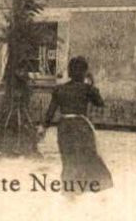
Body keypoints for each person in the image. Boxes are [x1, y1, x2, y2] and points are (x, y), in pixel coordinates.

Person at [40, 56, 113, 191]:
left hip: (64, 127)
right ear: (84, 72)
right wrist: (92, 84)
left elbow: (51, 111)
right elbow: (100, 103)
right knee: (88, 155)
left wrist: (44, 127)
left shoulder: (60, 89)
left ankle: (69, 188)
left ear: (69, 72)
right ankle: (92, 185)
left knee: (68, 158)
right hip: (81, 126)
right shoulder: (87, 89)